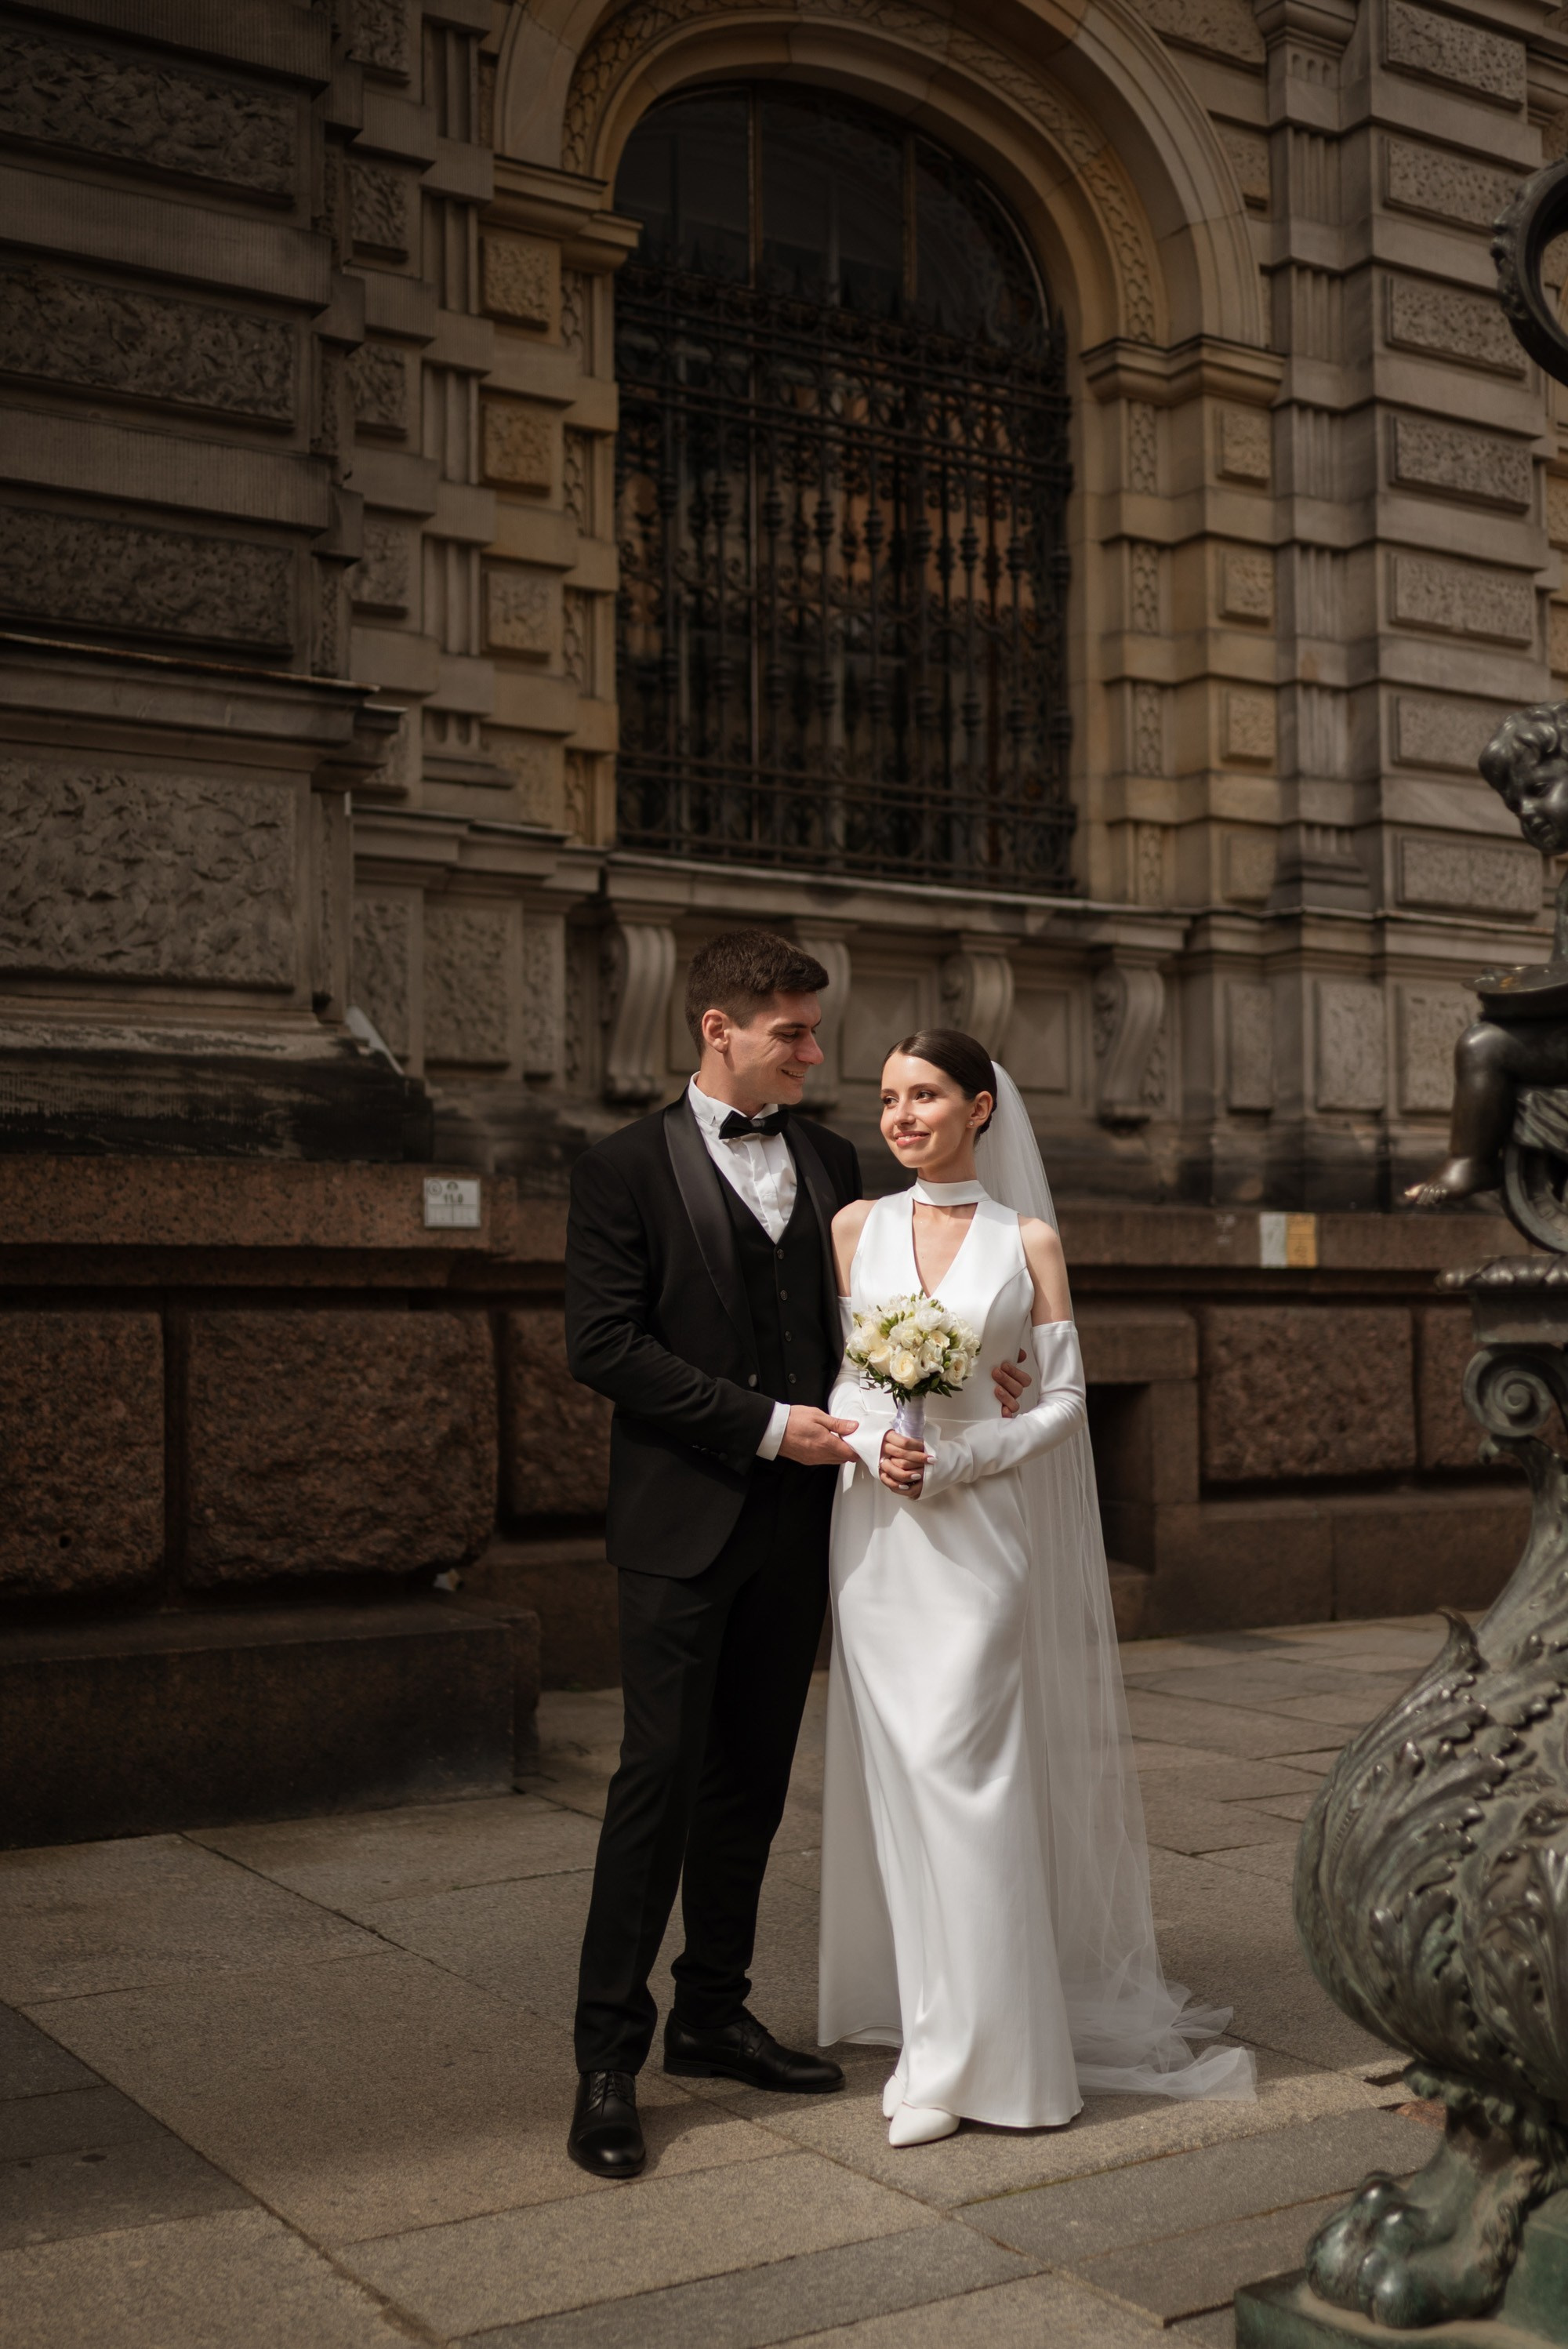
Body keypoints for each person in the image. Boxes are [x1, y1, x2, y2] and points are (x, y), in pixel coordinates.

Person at [562, 936, 1035, 2177]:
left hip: (809, 1530)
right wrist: (770, 1426)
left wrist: (997, 1372)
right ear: (718, 1027)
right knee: (655, 1782)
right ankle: (609, 2058)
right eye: (795, 1034)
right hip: (680, 1523)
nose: (818, 1055)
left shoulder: (830, 1165)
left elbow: (889, 1326)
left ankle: (713, 2014)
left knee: (753, 1782)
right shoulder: (620, 1169)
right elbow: (604, 1347)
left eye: (818, 1033)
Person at [819, 1029, 1256, 2147]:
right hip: (876, 1534)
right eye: (887, 1099)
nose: (901, 1116)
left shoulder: (1030, 1241)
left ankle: (999, 2064)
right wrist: (873, 1450)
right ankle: (931, 2040)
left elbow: (1062, 1402)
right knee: (901, 1788)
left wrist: (961, 1456)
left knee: (972, 1780)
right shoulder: (855, 1228)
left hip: (979, 1534)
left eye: (924, 1096)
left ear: (980, 1110)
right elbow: (849, 1378)